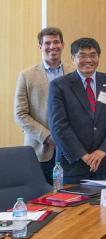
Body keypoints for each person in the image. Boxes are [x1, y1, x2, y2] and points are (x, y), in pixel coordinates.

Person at [48, 37, 106, 183]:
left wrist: (102, 151)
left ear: (98, 57)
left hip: (105, 164)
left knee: (105, 206)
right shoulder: (59, 86)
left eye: (93, 55)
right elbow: (58, 126)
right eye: (82, 55)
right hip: (73, 164)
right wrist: (84, 155)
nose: (88, 60)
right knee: (74, 206)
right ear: (73, 58)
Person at [14, 27, 74, 184]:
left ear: (62, 45)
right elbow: (20, 114)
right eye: (47, 43)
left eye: (56, 42)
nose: (52, 46)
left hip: (71, 150)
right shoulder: (26, 76)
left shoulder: (74, 73)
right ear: (40, 46)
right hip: (40, 152)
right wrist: (47, 136)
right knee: (41, 200)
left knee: (70, 198)